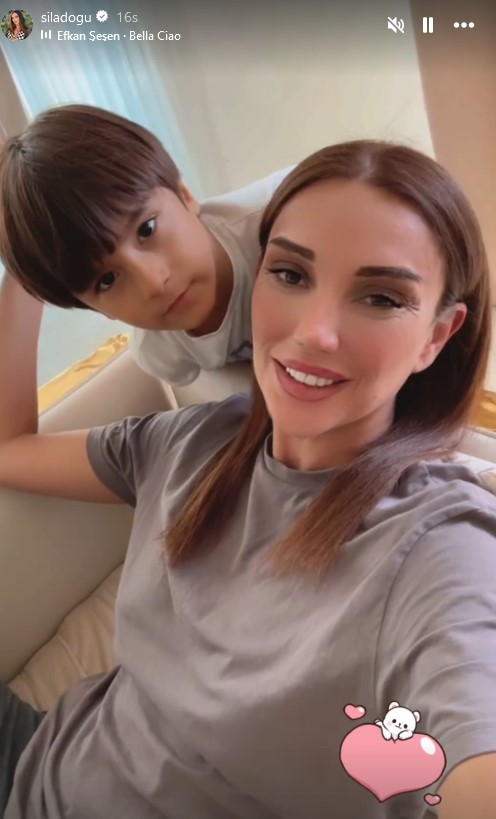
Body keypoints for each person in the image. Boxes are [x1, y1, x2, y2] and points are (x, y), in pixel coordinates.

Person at [1, 140, 496, 819]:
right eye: (290, 274)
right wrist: (32, 259)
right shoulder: (185, 440)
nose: (314, 332)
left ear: (437, 336)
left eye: (381, 297)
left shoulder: (437, 545)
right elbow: (9, 448)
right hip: (39, 756)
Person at [0, 104, 292, 385]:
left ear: (185, 195)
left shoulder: (289, 221)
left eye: (146, 229)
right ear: (96, 309)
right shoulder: (161, 352)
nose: (153, 283)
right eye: (107, 280)